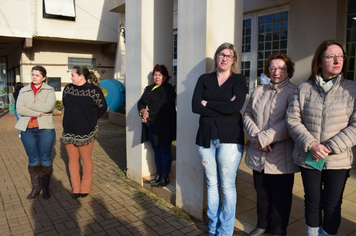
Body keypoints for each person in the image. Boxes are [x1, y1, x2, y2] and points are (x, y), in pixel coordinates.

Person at [286, 40, 356, 236]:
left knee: (333, 205)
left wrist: (329, 147)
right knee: (312, 201)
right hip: (311, 157)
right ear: (319, 61)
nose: (337, 60)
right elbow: (292, 119)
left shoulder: (352, 89)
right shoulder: (304, 88)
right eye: (331, 56)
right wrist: (311, 145)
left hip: (338, 159)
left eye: (340, 56)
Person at [192, 43, 246, 236]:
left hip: (229, 139)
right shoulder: (204, 78)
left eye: (229, 56)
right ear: (216, 57)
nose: (224, 58)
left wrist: (208, 103)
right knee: (211, 184)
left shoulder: (238, 80)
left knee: (227, 185)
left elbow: (235, 107)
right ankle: (212, 226)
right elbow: (195, 106)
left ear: (234, 60)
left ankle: (225, 231)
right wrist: (222, 105)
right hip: (205, 138)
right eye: (221, 54)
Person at [243, 52, 299, 236]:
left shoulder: (294, 92)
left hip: (281, 157)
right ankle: (262, 224)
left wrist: (264, 138)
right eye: (273, 68)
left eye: (281, 68)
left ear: (288, 70)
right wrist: (256, 137)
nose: (276, 72)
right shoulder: (259, 91)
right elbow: (247, 114)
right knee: (262, 193)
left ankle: (278, 229)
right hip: (258, 153)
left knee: (280, 197)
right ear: (268, 70)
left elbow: (290, 122)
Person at [62, 65, 108, 199]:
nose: (71, 77)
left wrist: (91, 119)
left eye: (73, 75)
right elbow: (66, 104)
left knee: (86, 159)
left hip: (86, 130)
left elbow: (103, 107)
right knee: (72, 159)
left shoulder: (93, 91)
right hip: (69, 129)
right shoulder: (68, 89)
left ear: (81, 77)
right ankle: (76, 188)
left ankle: (85, 187)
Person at [15, 66, 56, 200]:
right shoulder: (24, 90)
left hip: (46, 129)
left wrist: (29, 105)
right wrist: (38, 113)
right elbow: (19, 109)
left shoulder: (49, 90)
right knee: (33, 159)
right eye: (33, 74)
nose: (34, 77)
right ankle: (36, 187)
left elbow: (49, 107)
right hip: (27, 129)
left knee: (45, 158)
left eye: (37, 75)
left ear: (44, 77)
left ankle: (45, 188)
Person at [137, 64, 177, 187]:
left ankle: (165, 176)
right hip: (151, 125)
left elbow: (164, 104)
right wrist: (142, 111)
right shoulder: (149, 88)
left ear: (165, 76)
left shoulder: (168, 89)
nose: (157, 77)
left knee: (164, 150)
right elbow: (141, 102)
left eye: (160, 75)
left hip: (164, 126)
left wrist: (148, 113)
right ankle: (158, 174)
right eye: (155, 75)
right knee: (156, 150)